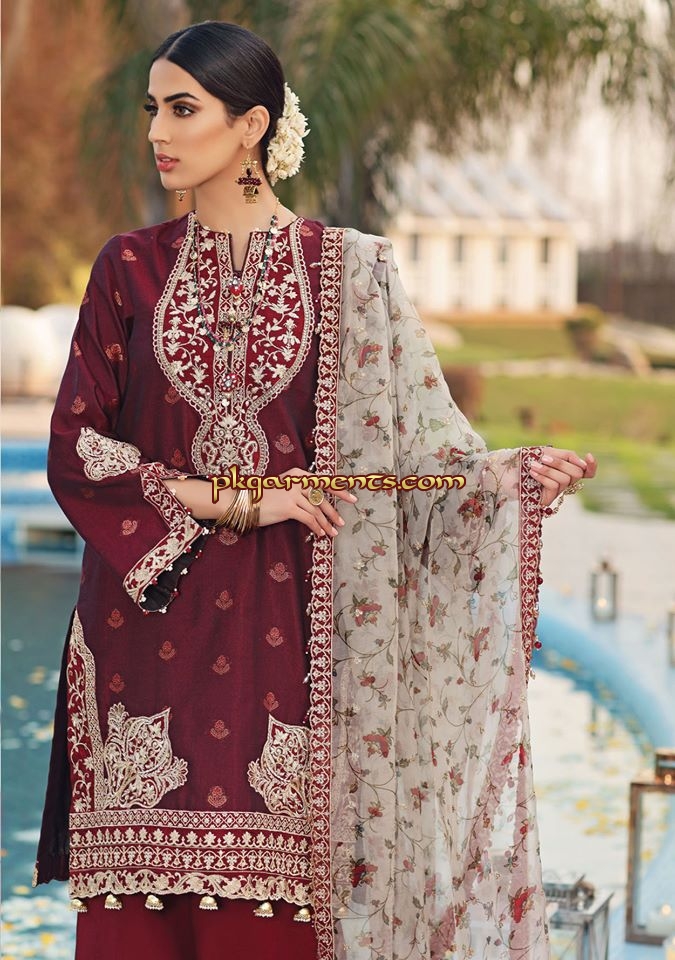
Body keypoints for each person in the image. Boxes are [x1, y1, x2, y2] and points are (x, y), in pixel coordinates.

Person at [34, 19, 597, 960]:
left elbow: (421, 463)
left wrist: (507, 480)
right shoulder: (127, 266)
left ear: (251, 125)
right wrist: (237, 499)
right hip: (142, 643)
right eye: (152, 109)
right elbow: (76, 446)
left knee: (269, 930)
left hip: (286, 648)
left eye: (183, 109)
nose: (157, 132)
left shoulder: (353, 272)